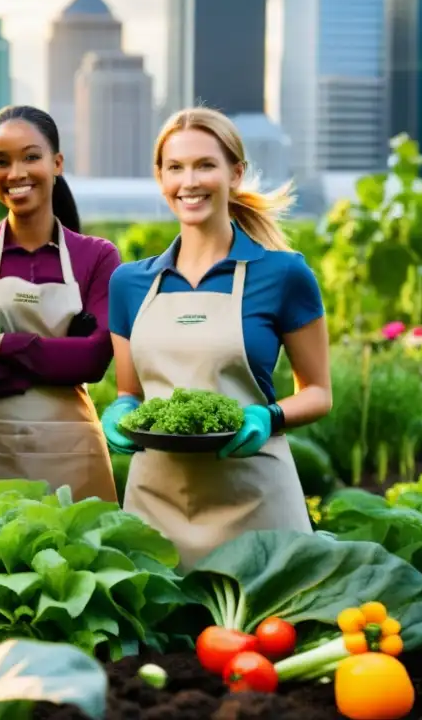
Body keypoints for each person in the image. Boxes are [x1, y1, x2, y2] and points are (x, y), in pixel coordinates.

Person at [102, 106, 332, 569]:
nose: (190, 181)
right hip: (156, 510)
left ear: (235, 173)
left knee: (260, 638)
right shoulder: (129, 283)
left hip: (257, 504)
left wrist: (267, 417)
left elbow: (319, 394)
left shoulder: (284, 274)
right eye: (175, 167)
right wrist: (121, 409)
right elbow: (130, 391)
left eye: (205, 165)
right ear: (161, 178)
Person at [0, 105, 121, 503]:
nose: (16, 173)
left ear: (56, 163)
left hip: (71, 454)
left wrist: (4, 346)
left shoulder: (96, 256)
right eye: (1, 161)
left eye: (31, 157)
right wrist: (46, 363)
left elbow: (92, 360)